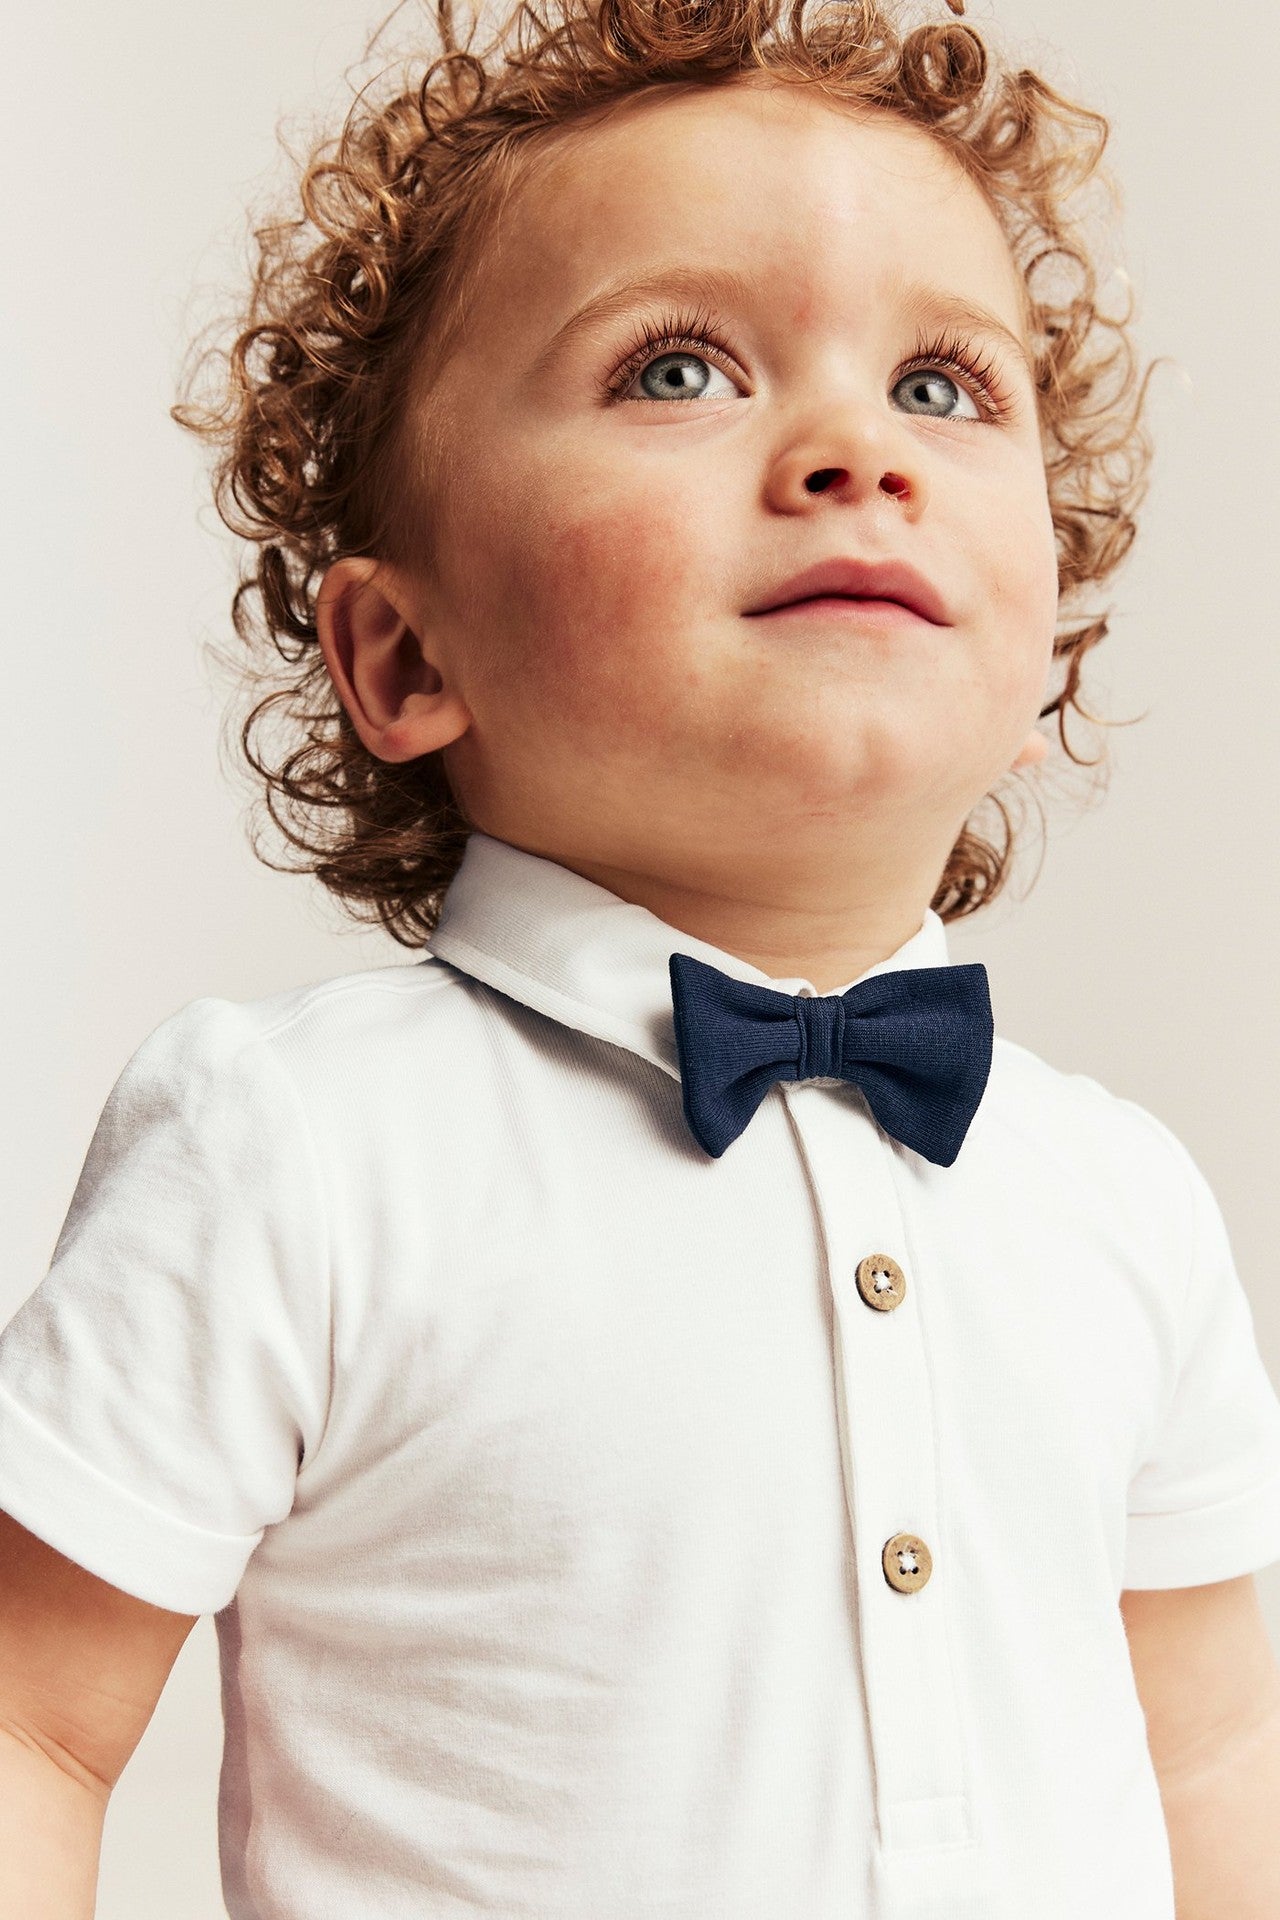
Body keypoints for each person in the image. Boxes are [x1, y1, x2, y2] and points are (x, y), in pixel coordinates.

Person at [2, 0, 1279, 1914]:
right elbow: (35, 1722)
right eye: (679, 367)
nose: (858, 445)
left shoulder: (1121, 1198)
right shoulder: (302, 1143)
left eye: (945, 386)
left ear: (1043, 675)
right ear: (403, 659)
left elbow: (1212, 1756)